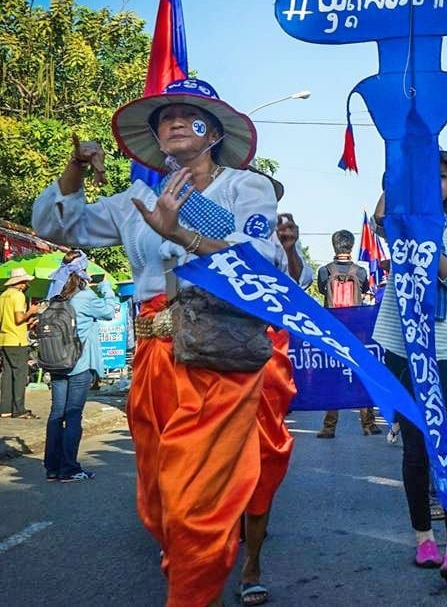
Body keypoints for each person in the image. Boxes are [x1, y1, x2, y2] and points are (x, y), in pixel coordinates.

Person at [32, 78, 287, 607]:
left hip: (217, 357)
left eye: (188, 114)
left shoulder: (246, 188)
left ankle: (196, 588)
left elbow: (265, 261)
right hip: (152, 360)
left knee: (198, 500)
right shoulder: (136, 199)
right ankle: (191, 565)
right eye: (163, 115)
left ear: (212, 132)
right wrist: (76, 169)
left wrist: (183, 233)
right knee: (159, 498)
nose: (172, 121)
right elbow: (60, 223)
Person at [372, 150, 447, 585]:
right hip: (403, 345)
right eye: (424, 177)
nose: (434, 183)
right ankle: (423, 538)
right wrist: (399, 178)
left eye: (440, 177)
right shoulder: (394, 225)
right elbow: (379, 215)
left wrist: (426, 244)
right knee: (416, 447)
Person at [239, 179, 314, 606]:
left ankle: (251, 565)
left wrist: (286, 244)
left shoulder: (274, 242)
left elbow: (292, 287)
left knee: (263, 454)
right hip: (208, 355)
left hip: (265, 357)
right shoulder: (200, 222)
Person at [43, 254, 118, 482]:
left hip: (55, 362)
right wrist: (105, 287)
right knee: (74, 415)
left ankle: (52, 469)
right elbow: (108, 311)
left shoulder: (54, 295)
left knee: (56, 414)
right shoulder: (84, 296)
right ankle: (70, 469)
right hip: (79, 363)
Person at [315, 230, 378, 438]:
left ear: (334, 246)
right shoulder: (360, 272)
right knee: (362, 375)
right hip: (357, 330)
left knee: (333, 377)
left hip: (333, 329)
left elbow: (323, 291)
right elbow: (367, 289)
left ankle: (329, 427)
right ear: (351, 247)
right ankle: (368, 425)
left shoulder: (325, 271)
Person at [0, 268, 43, 418]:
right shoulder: (18, 296)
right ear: (20, 283)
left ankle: (5, 408)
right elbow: (18, 318)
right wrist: (31, 311)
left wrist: (27, 323)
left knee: (7, 374)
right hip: (17, 341)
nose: (26, 284)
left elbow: (10, 321)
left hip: (4, 339)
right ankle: (19, 409)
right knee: (19, 374)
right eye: (25, 281)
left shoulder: (3, 295)